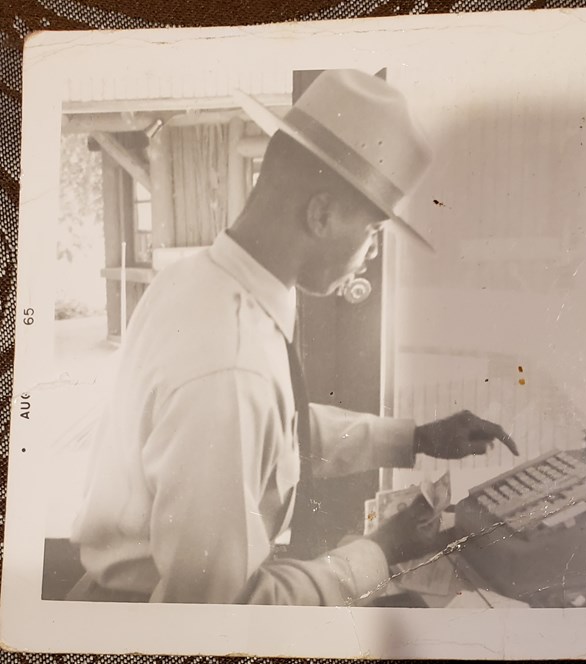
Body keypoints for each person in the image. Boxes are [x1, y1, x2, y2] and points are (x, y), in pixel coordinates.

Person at [68, 70, 518, 606]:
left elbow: (276, 433)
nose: (371, 252)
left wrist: (414, 437)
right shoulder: (233, 367)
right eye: (372, 231)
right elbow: (223, 615)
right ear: (322, 215)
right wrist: (378, 551)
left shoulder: (197, 282)